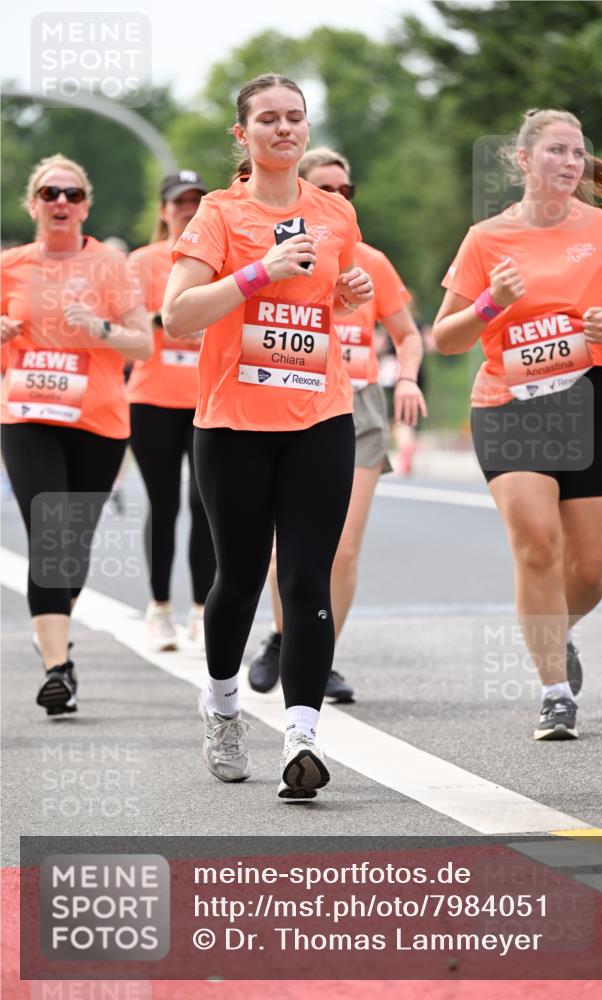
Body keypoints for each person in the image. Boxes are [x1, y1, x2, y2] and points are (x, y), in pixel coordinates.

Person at [162, 75, 373, 799]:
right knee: (241, 577)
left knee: (308, 577)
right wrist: (258, 272)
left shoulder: (334, 213)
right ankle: (222, 706)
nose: (284, 129)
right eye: (268, 119)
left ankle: (301, 737)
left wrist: (347, 295)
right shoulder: (219, 213)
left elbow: (331, 296)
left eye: (294, 118)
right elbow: (178, 316)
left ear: (307, 128)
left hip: (320, 415)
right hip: (233, 424)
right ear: (242, 134)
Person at [433, 109, 602, 741]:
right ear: (524, 159)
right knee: (536, 542)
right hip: (510, 402)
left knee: (589, 575)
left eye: (578, 153)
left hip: (588, 401)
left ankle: (556, 629)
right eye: (557, 150)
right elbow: (447, 338)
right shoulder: (485, 239)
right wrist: (490, 304)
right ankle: (555, 694)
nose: (571, 163)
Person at [248, 147, 427, 701]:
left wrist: (408, 379)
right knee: (285, 550)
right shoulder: (274, 248)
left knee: (342, 550)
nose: (339, 198)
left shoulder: (370, 260)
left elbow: (408, 335)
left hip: (358, 404)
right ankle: (284, 638)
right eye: (327, 190)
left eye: (347, 191)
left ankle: (318, 657)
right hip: (288, 401)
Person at [0, 153, 151, 716]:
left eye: (72, 194)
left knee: (73, 544)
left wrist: (101, 328)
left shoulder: (110, 265)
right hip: (28, 415)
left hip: (98, 420)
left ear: (85, 206)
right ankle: (57, 668)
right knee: (50, 532)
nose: (60, 201)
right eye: (49, 193)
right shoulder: (10, 265)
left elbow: (144, 343)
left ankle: (54, 630)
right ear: (33, 204)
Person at [127, 171, 216, 650]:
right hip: (153, 400)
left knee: (206, 507)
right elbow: (128, 321)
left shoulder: (218, 255)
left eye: (197, 201)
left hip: (209, 399)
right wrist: (167, 319)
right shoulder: (143, 262)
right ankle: (159, 607)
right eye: (180, 202)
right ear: (163, 210)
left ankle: (202, 610)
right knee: (163, 504)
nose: (188, 209)